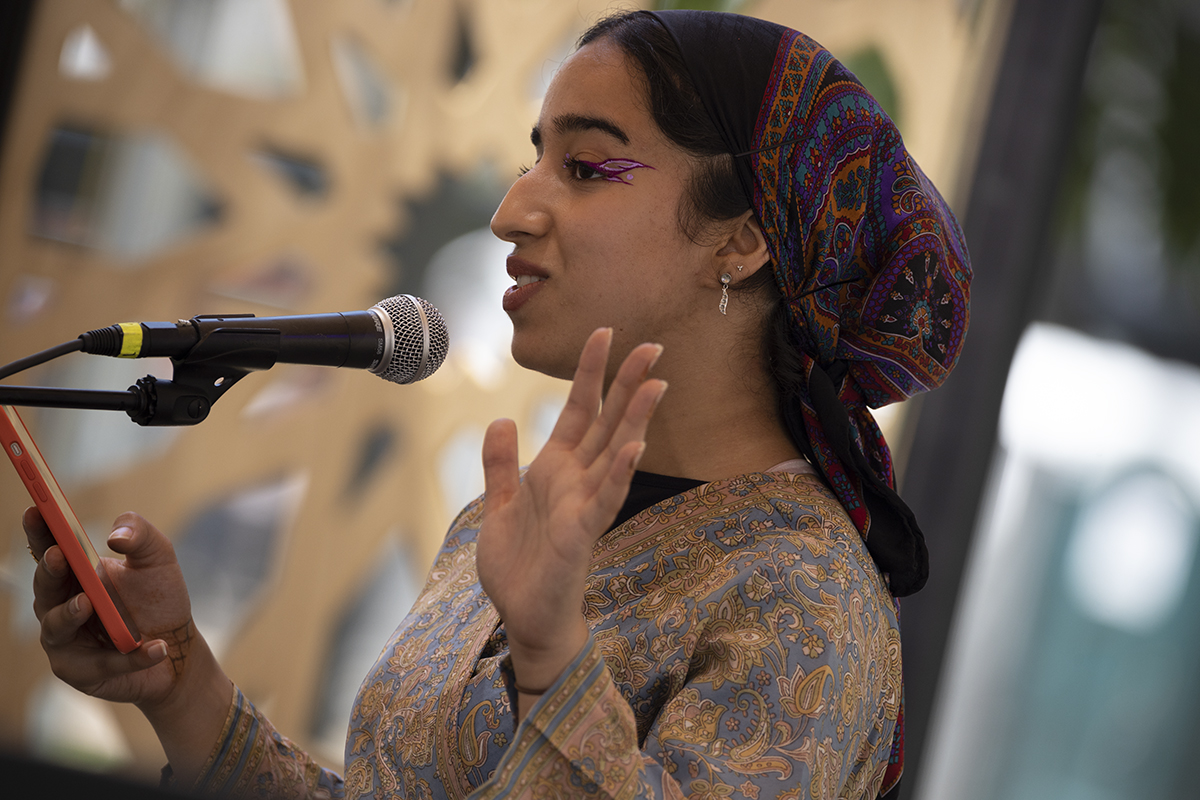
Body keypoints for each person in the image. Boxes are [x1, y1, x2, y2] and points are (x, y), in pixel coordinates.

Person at [24, 9, 970, 800]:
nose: (512, 211)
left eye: (587, 169)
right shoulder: (519, 518)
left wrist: (552, 650)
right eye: (535, 159)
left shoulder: (806, 596)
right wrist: (179, 677)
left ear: (741, 241)